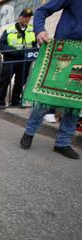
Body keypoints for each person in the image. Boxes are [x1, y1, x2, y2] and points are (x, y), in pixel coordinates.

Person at [20, 0, 82, 160]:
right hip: (64, 48)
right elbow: (41, 11)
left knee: (76, 100)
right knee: (46, 96)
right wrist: (39, 30)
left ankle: (63, 143)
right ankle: (30, 132)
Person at [0, 9, 37, 108]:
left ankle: (15, 101)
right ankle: (0, 103)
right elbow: (0, 45)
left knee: (21, 81)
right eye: (25, 16)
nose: (27, 19)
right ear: (20, 17)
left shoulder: (32, 30)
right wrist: (15, 51)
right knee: (4, 81)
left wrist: (33, 55)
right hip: (11, 60)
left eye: (29, 17)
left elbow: (34, 46)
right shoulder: (10, 30)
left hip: (25, 61)